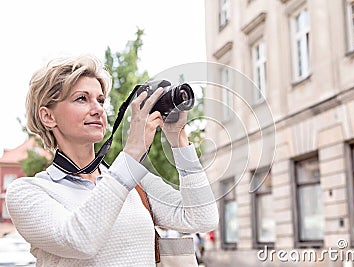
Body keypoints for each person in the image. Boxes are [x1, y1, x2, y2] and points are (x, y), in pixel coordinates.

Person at [5, 55, 219, 266]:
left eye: (100, 100)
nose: (98, 109)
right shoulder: (28, 192)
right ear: (48, 117)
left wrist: (179, 139)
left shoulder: (136, 184)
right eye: (82, 98)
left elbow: (202, 218)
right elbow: (80, 240)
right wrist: (131, 154)